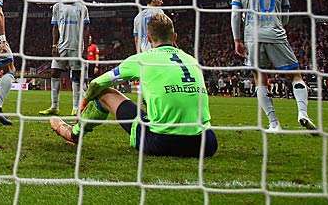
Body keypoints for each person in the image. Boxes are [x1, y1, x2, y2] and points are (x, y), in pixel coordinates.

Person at [50, 13, 217, 157]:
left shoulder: (142, 59)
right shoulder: (192, 60)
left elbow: (96, 83)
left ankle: (74, 133)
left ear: (149, 38)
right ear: (175, 37)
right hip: (206, 143)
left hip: (162, 143)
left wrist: (85, 100)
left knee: (104, 92)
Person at [231, 0, 316, 132]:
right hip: (275, 34)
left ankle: (274, 124)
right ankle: (302, 113)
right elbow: (285, 17)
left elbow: (234, 16)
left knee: (260, 80)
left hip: (252, 37)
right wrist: (276, 24)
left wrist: (237, 39)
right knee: (296, 75)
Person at [39, 0, 90, 116]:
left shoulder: (82, 7)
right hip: (61, 46)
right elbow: (55, 27)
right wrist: (54, 45)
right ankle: (54, 106)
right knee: (54, 73)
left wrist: (85, 48)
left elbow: (86, 28)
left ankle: (75, 107)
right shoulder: (57, 7)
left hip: (76, 46)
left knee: (76, 76)